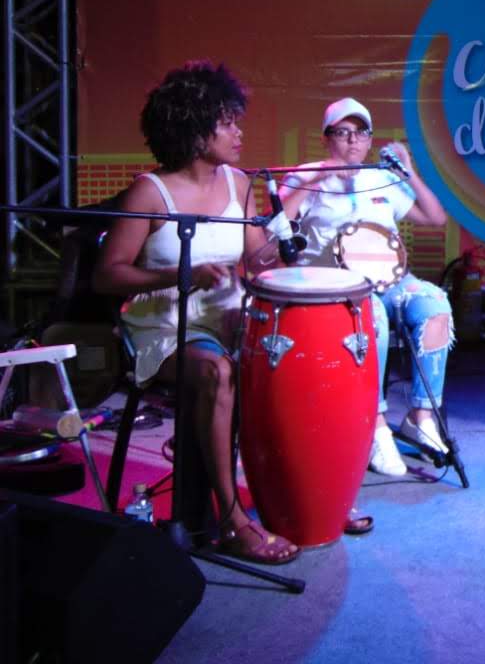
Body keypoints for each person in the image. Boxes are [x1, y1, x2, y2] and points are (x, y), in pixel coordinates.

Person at [94, 61, 299, 564]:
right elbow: (108, 275)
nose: (239, 132)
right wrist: (182, 274)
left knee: (291, 361)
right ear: (194, 128)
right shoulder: (150, 192)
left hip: (226, 323)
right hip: (164, 329)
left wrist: (287, 244)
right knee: (215, 371)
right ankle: (231, 520)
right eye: (227, 122)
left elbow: (256, 258)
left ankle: (303, 498)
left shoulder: (239, 183)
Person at [280, 98, 453, 478]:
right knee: (373, 314)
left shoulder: (381, 177)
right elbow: (275, 224)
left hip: (389, 281)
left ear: (370, 139)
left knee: (435, 304)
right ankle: (375, 424)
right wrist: (314, 180)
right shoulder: (305, 175)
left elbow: (435, 217)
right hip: (335, 287)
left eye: (360, 133)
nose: (352, 141)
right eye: (342, 132)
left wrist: (409, 173)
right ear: (326, 138)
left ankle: (422, 416)